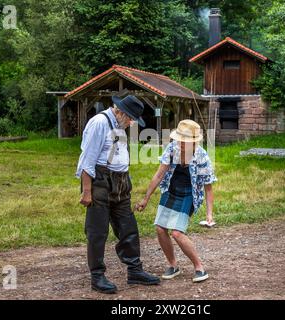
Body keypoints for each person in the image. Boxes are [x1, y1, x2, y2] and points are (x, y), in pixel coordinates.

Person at [76, 95, 160, 294]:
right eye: (131, 118)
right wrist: (87, 191)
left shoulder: (120, 125)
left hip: (121, 182)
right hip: (100, 181)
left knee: (128, 226)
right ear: (120, 111)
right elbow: (87, 159)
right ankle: (97, 276)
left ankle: (135, 271)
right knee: (98, 231)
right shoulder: (99, 123)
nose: (132, 123)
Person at [135, 119, 217, 283]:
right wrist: (146, 198)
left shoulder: (202, 157)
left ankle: (199, 267)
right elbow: (159, 175)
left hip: (188, 195)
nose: (179, 143)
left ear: (193, 143)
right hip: (171, 191)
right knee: (160, 228)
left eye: (184, 141)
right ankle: (173, 265)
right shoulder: (172, 149)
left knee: (177, 233)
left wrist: (209, 214)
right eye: (179, 140)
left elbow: (208, 188)